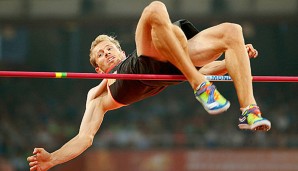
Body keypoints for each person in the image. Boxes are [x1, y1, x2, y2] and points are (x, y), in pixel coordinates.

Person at [27, 1, 271, 170]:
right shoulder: (99, 91)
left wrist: (235, 58)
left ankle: (249, 111)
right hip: (149, 65)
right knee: (156, 10)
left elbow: (206, 70)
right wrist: (53, 159)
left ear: (121, 51)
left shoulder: (129, 55)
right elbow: (84, 138)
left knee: (232, 31)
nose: (107, 53)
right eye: (101, 55)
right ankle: (200, 86)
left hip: (173, 65)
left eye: (109, 49)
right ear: (98, 70)